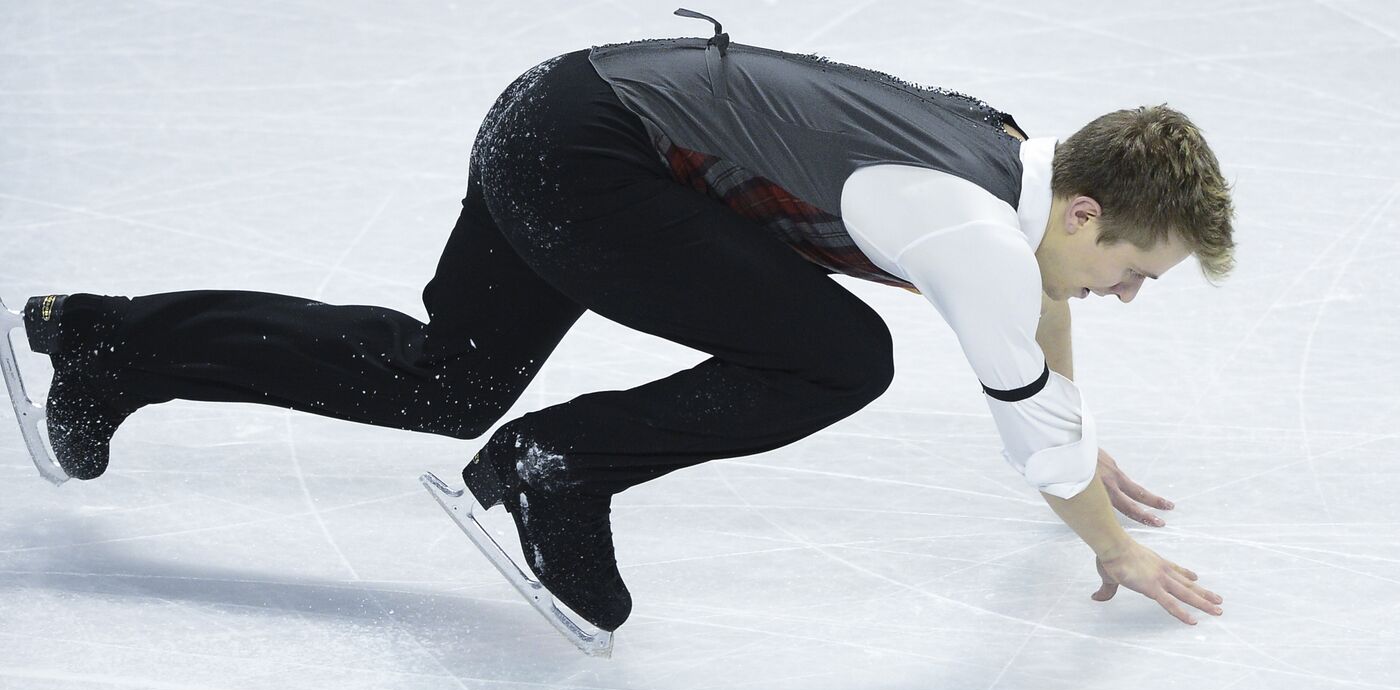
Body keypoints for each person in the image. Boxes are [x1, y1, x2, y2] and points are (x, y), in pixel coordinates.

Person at [3, 11, 1233, 635]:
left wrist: (1068, 401)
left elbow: (1040, 319)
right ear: (1081, 210)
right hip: (588, 157)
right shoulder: (969, 228)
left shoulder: (1008, 155)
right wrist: (1109, 545)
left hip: (559, 112)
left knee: (440, 380)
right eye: (1134, 268)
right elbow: (1034, 433)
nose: (1125, 295)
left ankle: (110, 343)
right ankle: (559, 466)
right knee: (842, 353)